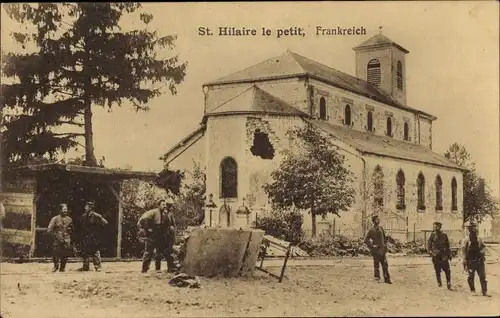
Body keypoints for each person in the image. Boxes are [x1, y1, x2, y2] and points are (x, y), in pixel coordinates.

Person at [138, 198, 177, 273]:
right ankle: (144, 269)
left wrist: (170, 229)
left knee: (163, 251)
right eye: (163, 205)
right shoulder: (153, 212)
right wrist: (147, 229)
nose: (165, 206)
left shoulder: (165, 213)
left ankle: (160, 268)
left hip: (161, 234)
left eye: (165, 204)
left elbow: (168, 224)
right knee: (149, 251)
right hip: (153, 235)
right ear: (158, 205)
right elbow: (143, 219)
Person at [461, 221, 489, 296]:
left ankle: (484, 291)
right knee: (471, 276)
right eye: (469, 228)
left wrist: (482, 252)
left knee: (482, 276)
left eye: (473, 227)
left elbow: (483, 247)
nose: (471, 229)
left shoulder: (479, 238)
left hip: (479, 260)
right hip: (470, 261)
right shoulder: (466, 239)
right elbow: (463, 250)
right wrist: (464, 260)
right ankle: (472, 290)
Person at [79, 201, 108, 272]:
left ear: (90, 208)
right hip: (86, 236)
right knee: (85, 251)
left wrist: (98, 230)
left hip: (94, 236)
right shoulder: (84, 216)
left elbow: (105, 223)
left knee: (95, 251)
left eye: (86, 207)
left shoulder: (96, 215)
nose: (85, 208)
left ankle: (98, 267)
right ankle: (85, 266)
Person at [364, 214, 392, 284]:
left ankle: (387, 279)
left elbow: (384, 238)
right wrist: (372, 246)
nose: (378, 220)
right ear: (374, 221)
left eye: (379, 219)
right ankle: (377, 278)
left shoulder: (381, 228)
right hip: (376, 251)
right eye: (377, 219)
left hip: (382, 250)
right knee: (376, 265)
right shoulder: (371, 230)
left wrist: (387, 240)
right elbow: (366, 240)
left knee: (385, 265)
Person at [47, 203, 74, 272]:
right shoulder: (55, 219)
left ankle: (62, 267)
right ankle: (55, 266)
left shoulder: (69, 219)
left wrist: (70, 232)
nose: (65, 210)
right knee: (56, 253)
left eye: (66, 209)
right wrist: (56, 236)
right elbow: (49, 230)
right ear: (60, 210)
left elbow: (72, 230)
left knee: (65, 254)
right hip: (57, 238)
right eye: (64, 209)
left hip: (66, 239)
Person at [427, 221, 452, 289]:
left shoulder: (444, 235)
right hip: (436, 256)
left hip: (444, 255)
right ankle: (439, 283)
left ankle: (448, 282)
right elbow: (429, 244)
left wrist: (449, 254)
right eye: (434, 227)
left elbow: (448, 245)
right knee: (437, 270)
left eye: (436, 226)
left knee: (447, 270)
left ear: (439, 227)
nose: (434, 228)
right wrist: (430, 252)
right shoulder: (432, 235)